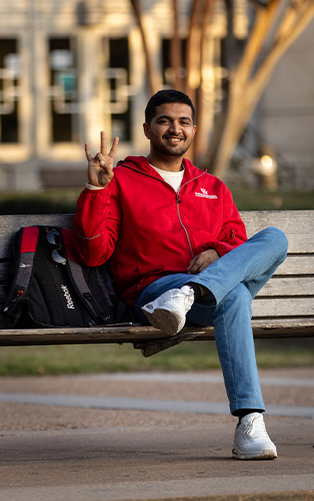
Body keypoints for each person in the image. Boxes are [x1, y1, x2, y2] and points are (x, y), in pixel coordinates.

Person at [72, 89, 288, 460]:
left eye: (184, 122)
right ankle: (250, 421)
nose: (175, 129)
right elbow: (94, 252)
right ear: (147, 128)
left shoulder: (213, 187)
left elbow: (235, 239)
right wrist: (96, 188)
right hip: (153, 294)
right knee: (234, 295)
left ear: (194, 130)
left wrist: (215, 252)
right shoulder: (121, 180)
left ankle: (193, 292)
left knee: (275, 239)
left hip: (192, 300)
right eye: (165, 121)